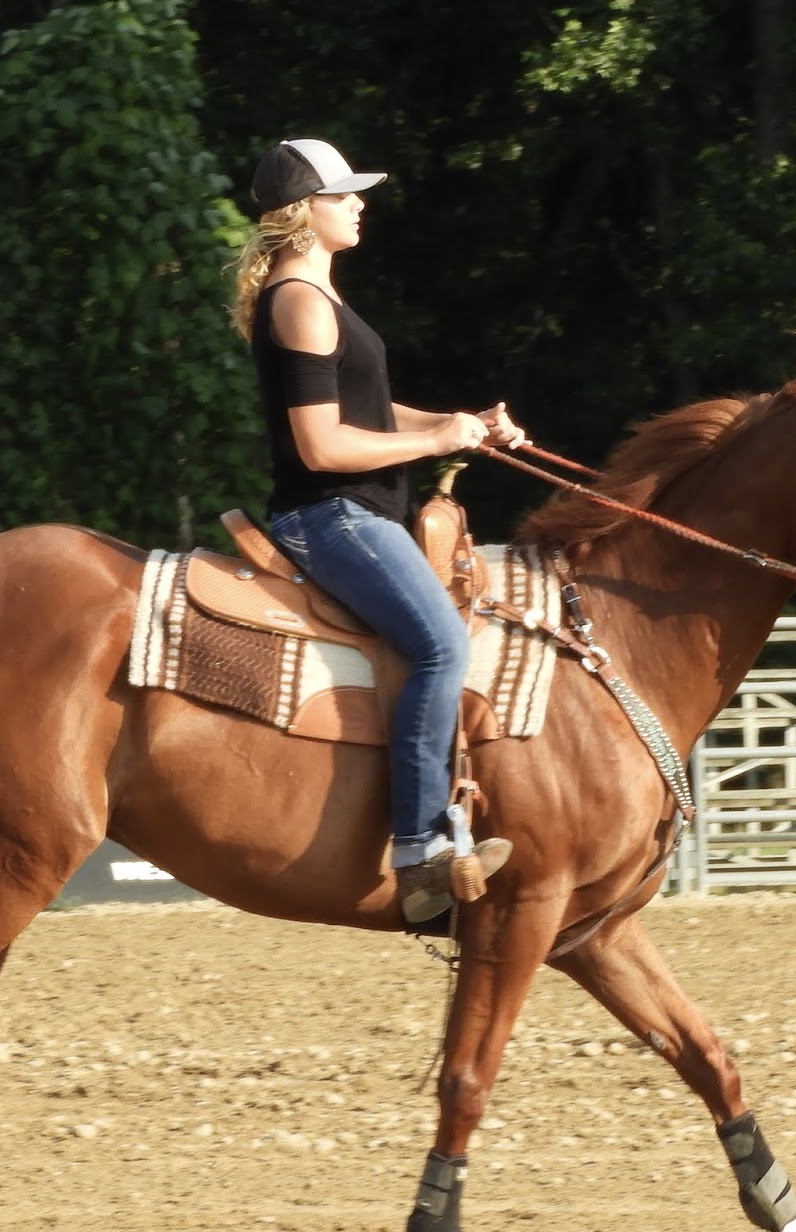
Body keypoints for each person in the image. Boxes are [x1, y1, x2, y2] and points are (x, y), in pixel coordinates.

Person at [230, 137, 522, 923]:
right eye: (343, 194)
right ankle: (421, 851)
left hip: (360, 511)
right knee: (439, 645)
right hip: (331, 515)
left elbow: (366, 413)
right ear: (303, 213)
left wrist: (463, 425)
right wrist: (434, 443)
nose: (359, 204)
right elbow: (321, 446)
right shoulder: (298, 298)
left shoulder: (317, 298)